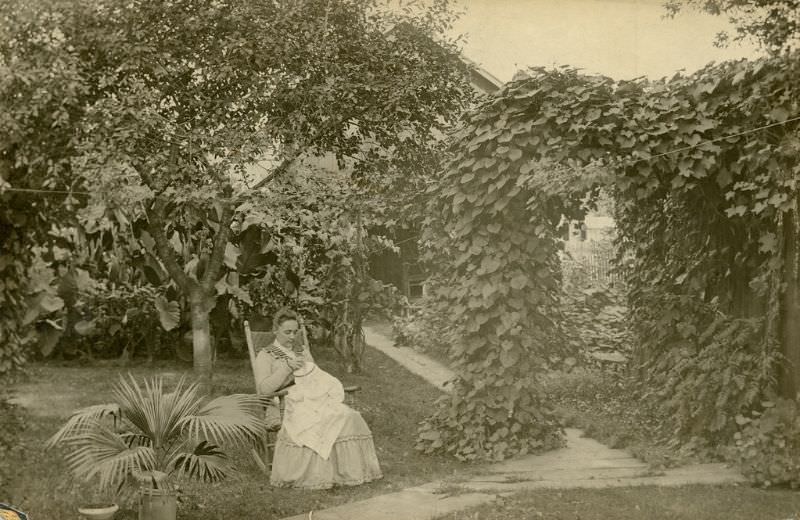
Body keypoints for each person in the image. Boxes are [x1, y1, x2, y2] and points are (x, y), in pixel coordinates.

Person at [252, 308, 383, 490]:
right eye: (287, 332)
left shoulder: (300, 350)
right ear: (276, 331)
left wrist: (309, 364)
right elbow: (264, 389)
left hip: (313, 399)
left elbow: (315, 378)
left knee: (348, 415)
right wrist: (287, 368)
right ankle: (316, 476)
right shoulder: (266, 355)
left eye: (295, 332)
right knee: (317, 420)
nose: (292, 337)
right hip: (286, 402)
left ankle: (344, 472)